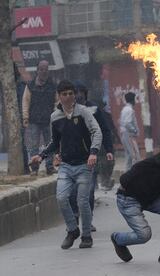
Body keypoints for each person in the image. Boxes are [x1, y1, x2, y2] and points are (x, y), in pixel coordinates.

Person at [30, 80, 102, 249]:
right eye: (65, 94)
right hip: (66, 165)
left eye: (71, 93)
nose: (69, 97)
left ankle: (86, 236)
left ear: (74, 95)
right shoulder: (55, 117)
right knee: (61, 198)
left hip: (85, 164)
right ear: (59, 96)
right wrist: (41, 156)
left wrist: (93, 152)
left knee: (83, 201)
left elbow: (96, 131)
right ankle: (72, 230)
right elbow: (55, 141)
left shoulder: (83, 112)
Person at [69, 83, 114, 232]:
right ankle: (75, 218)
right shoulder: (67, 111)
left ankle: (88, 221)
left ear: (85, 95)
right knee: (73, 191)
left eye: (81, 93)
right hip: (73, 158)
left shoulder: (94, 110)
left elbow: (105, 130)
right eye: (76, 93)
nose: (78, 96)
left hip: (91, 156)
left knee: (88, 192)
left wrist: (108, 149)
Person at [22, 60, 57, 175]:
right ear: (37, 70)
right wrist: (25, 117)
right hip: (33, 120)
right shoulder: (30, 85)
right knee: (33, 146)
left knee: (50, 144)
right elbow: (25, 102)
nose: (43, 71)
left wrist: (56, 117)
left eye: (45, 69)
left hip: (49, 120)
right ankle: (34, 168)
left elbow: (57, 102)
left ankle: (49, 167)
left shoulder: (53, 85)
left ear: (48, 71)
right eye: (41, 69)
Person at [119, 92, 141, 170]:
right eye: (135, 99)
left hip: (125, 135)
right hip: (129, 135)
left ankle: (127, 176)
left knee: (129, 156)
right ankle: (135, 175)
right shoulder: (129, 110)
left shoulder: (125, 109)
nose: (136, 101)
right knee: (135, 155)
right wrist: (134, 130)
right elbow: (127, 123)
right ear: (132, 100)